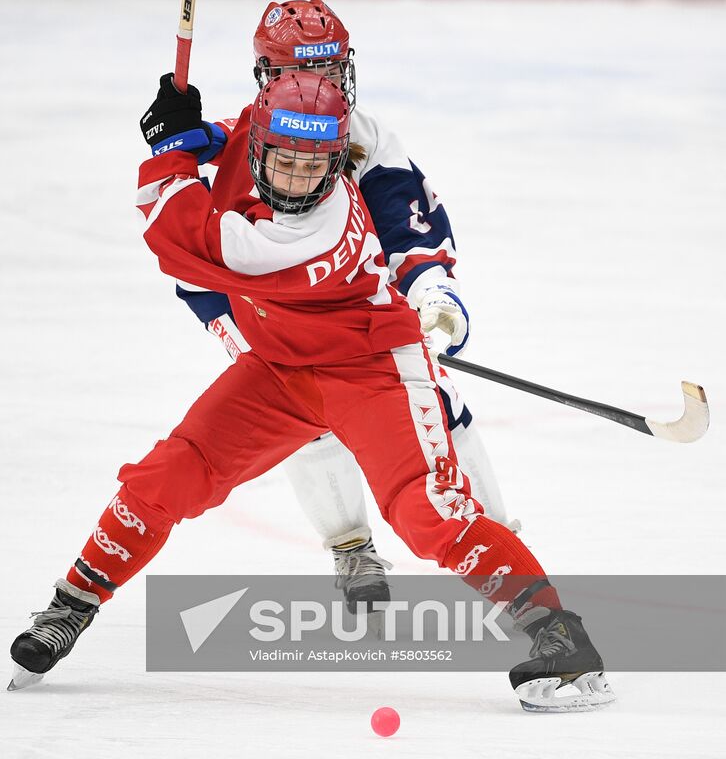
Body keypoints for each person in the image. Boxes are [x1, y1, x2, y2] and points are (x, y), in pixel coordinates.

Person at [9, 67, 613, 711]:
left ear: (338, 165)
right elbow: (228, 138)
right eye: (283, 161)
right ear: (257, 148)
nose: (297, 179)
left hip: (372, 369)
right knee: (169, 475)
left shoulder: (308, 233)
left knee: (427, 510)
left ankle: (565, 647)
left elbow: (178, 236)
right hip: (280, 368)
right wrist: (191, 130)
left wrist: (170, 150)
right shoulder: (253, 140)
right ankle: (70, 605)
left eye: (314, 166)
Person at [175, 0, 519, 612]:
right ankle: (350, 546)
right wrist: (178, 141)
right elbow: (189, 223)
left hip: (360, 318)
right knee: (304, 423)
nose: (322, 87)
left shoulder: (365, 142)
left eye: (333, 73)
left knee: (439, 406)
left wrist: (431, 293)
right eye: (299, 74)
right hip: (259, 313)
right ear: (267, 78)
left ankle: (496, 546)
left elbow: (407, 228)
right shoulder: (242, 139)